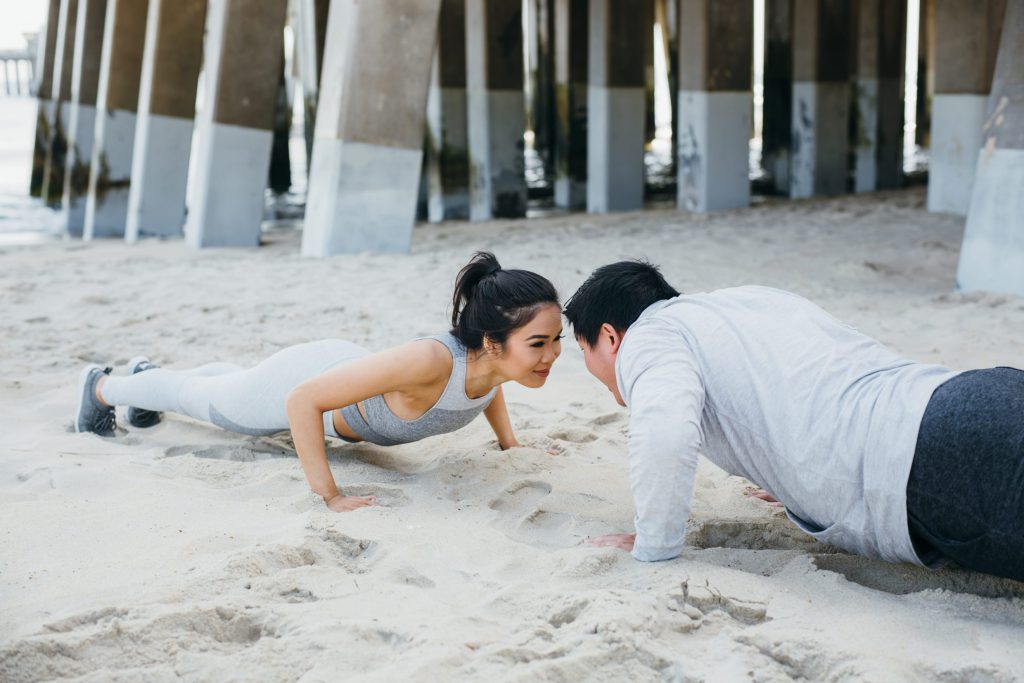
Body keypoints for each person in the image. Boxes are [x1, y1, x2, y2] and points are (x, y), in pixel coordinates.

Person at [563, 260, 1024, 582]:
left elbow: (665, 433)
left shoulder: (649, 335)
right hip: (965, 397)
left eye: (583, 350)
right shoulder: (746, 302)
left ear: (609, 336)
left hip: (926, 457)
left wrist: (653, 544)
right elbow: (817, 376)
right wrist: (784, 475)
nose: (590, 364)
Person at [75, 252, 563, 513]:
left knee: (230, 386)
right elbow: (303, 398)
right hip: (308, 377)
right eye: (539, 343)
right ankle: (102, 387)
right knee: (217, 409)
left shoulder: (494, 363)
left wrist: (510, 444)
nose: (553, 354)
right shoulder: (431, 361)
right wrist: (329, 495)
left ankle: (149, 378)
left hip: (343, 370)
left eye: (556, 339)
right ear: (492, 341)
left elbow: (488, 390)